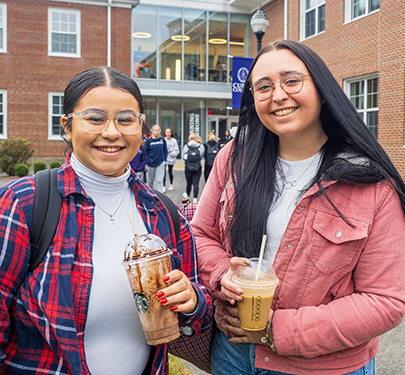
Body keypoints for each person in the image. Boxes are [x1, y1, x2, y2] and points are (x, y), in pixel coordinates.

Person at [191, 40, 405, 375]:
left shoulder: (370, 183)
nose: (277, 95)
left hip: (324, 366)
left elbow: (385, 301)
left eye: (292, 81)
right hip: (232, 354)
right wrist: (222, 274)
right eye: (263, 86)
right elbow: (201, 235)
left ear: (321, 91)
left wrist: (275, 330)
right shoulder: (234, 158)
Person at [0, 66, 213, 375]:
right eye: (95, 118)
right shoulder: (24, 204)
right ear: (68, 127)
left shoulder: (163, 212)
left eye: (126, 119)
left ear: (141, 127)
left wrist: (192, 300)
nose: (112, 132)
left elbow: (199, 308)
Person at [145, 124, 167, 193]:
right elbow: (144, 152)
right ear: (152, 131)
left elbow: (165, 150)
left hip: (160, 163)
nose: (157, 132)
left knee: (159, 181)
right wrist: (146, 162)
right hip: (150, 164)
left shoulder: (162, 140)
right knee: (150, 182)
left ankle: (161, 197)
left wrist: (164, 159)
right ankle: (151, 196)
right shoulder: (148, 141)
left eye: (158, 130)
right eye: (155, 130)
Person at [182, 133, 204, 203]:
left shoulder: (187, 146)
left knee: (188, 182)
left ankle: (187, 195)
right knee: (196, 183)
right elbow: (201, 156)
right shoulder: (200, 146)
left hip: (188, 167)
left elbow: (183, 156)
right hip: (197, 166)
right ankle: (195, 198)